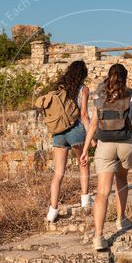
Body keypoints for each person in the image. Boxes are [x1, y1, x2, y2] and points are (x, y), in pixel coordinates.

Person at [80, 63, 132, 251]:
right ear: (125, 77)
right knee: (122, 178)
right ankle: (121, 219)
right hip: (126, 144)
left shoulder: (99, 96)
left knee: (102, 192)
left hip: (104, 145)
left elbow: (93, 125)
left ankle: (99, 237)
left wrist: (85, 149)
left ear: (109, 76)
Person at [46, 60, 93, 222]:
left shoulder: (59, 88)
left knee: (58, 173)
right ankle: (85, 200)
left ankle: (52, 210)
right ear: (83, 74)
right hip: (76, 131)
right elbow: (84, 115)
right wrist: (91, 136)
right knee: (83, 163)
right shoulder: (83, 89)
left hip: (59, 132)